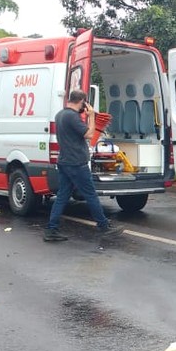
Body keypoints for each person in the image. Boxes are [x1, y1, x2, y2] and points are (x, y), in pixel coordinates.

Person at [44, 90, 124, 241]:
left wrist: (86, 118)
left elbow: (77, 132)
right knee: (90, 194)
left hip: (64, 161)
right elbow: (89, 134)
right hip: (77, 163)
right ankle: (103, 226)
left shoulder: (60, 115)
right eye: (84, 103)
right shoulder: (72, 116)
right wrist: (92, 116)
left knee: (62, 196)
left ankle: (51, 229)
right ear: (81, 101)